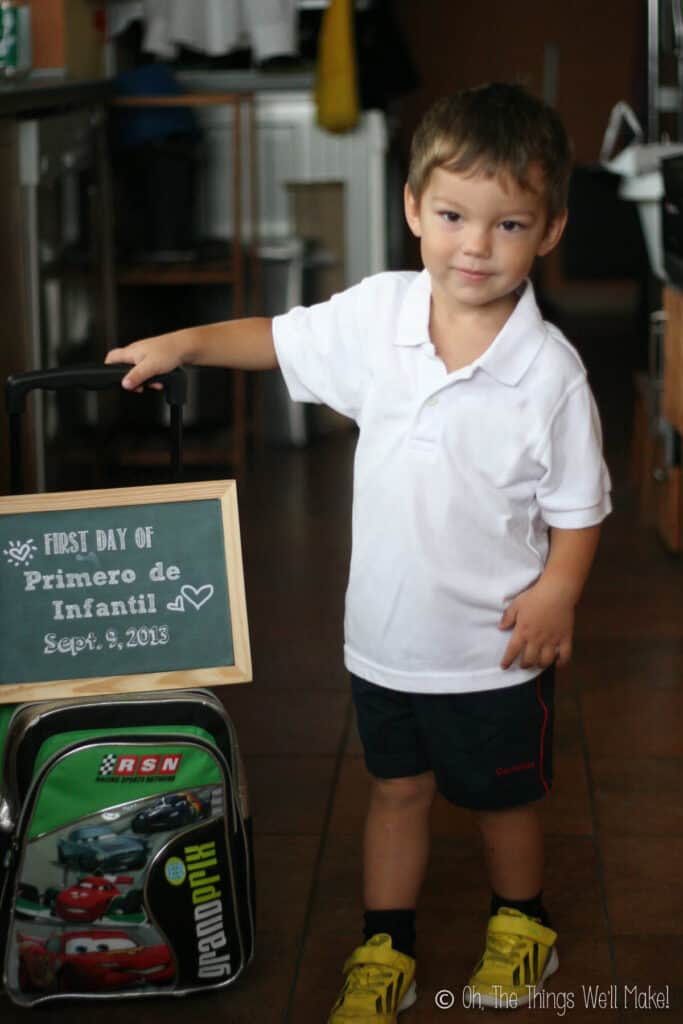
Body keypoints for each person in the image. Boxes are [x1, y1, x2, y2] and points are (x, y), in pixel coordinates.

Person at [106, 82, 611, 1021]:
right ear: (414, 207)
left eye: (508, 225)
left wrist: (558, 593)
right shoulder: (380, 315)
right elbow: (277, 339)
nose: (475, 245)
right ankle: (387, 943)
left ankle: (520, 922)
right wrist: (184, 341)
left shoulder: (549, 375)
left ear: (547, 232)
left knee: (502, 804)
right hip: (383, 639)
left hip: (493, 651)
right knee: (395, 792)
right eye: (454, 216)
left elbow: (579, 507)